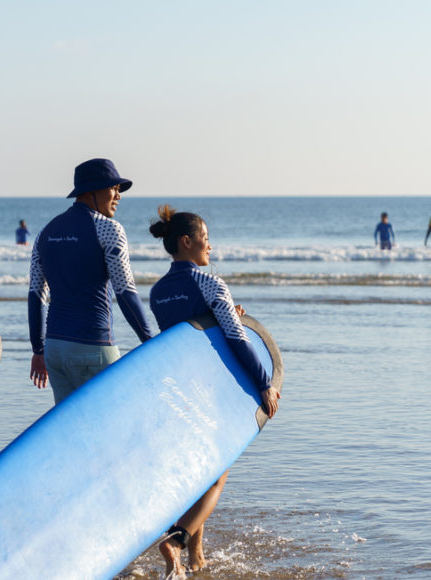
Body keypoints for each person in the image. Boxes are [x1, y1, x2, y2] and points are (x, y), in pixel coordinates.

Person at [147, 205, 280, 577]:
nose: (210, 246)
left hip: (175, 389)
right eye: (205, 239)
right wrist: (264, 384)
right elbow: (236, 339)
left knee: (195, 472)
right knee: (217, 474)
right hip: (208, 391)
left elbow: (190, 333)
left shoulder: (157, 293)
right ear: (187, 242)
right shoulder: (209, 283)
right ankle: (178, 540)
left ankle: (196, 557)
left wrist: (224, 315)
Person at [28, 158, 154, 404]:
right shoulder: (109, 229)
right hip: (93, 347)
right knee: (112, 428)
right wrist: (150, 341)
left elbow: (36, 296)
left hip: (55, 350)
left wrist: (38, 350)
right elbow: (125, 291)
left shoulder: (45, 232)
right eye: (113, 188)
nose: (118, 196)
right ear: (91, 191)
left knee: (71, 433)